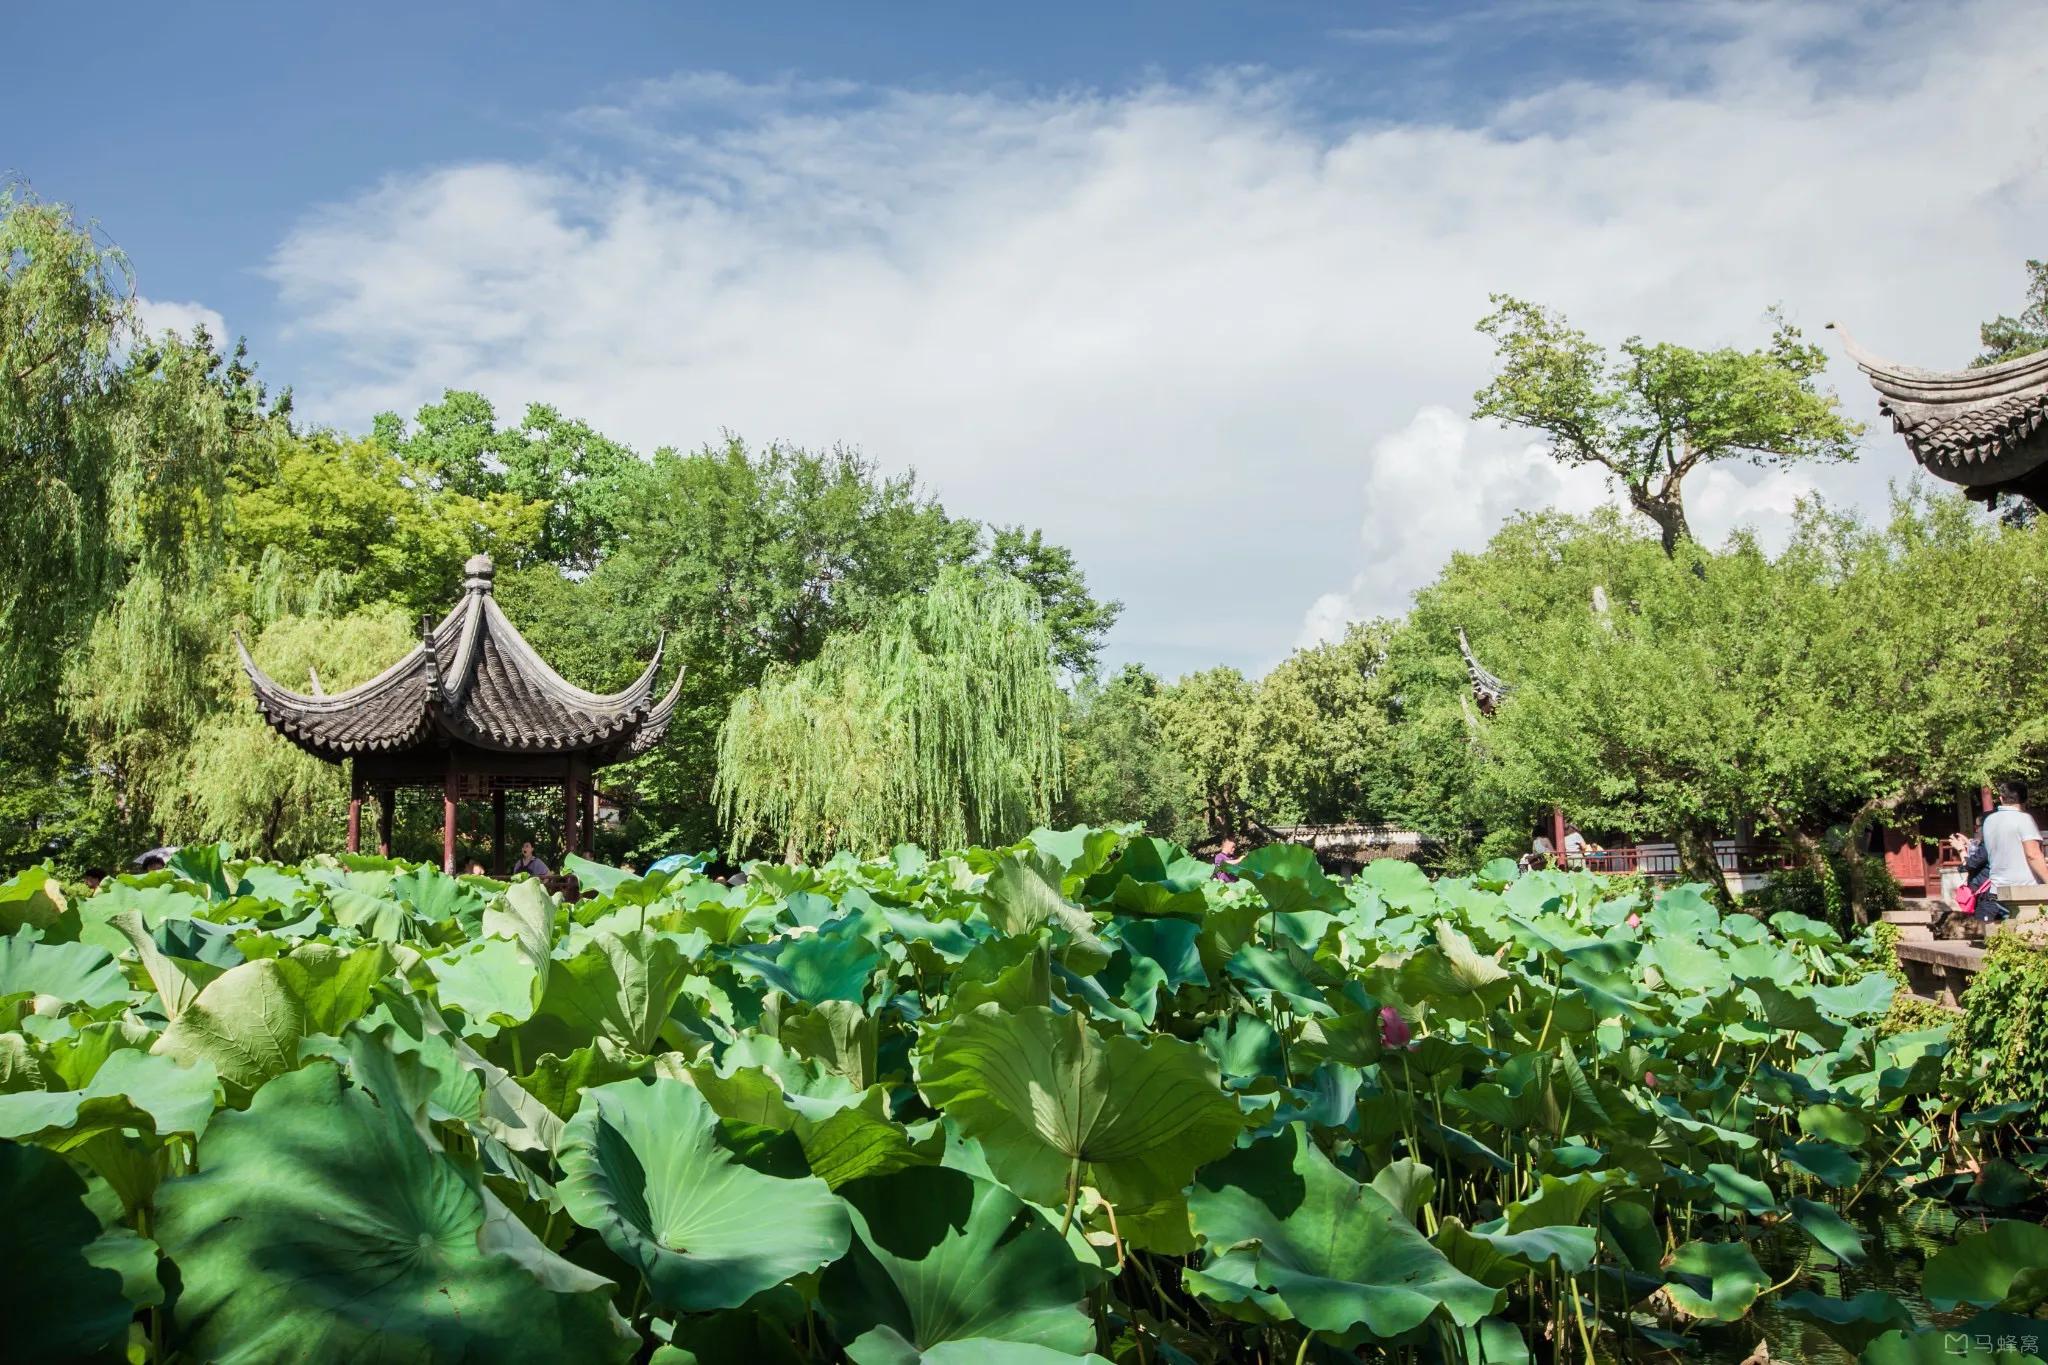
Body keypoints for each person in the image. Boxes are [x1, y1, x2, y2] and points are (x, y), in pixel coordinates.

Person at [1982, 779, 2048, 894]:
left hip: (1996, 888)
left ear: (2001, 798)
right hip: (2023, 889)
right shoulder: (2023, 819)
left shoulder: (1989, 820)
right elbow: (2033, 854)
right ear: (2026, 799)